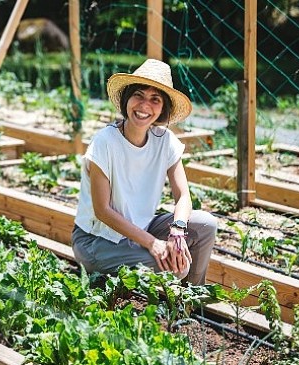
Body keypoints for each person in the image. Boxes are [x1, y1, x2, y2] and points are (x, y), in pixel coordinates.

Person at [72, 59, 217, 285]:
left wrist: (177, 231)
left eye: (155, 99)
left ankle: (191, 302)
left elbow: (184, 196)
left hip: (141, 228)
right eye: (138, 95)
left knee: (206, 225)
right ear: (126, 99)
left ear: (162, 108)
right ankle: (164, 302)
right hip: (97, 241)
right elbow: (102, 211)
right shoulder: (105, 142)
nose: (144, 106)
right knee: (177, 267)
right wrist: (152, 243)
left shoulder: (164, 141)